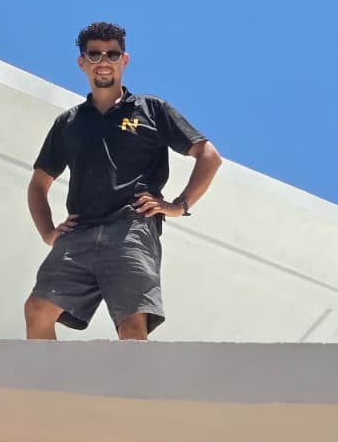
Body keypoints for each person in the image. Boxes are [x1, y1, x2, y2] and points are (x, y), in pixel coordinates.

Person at [25, 22, 222, 341]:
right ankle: (47, 388)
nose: (104, 60)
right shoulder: (69, 123)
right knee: (37, 310)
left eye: (112, 54)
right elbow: (38, 184)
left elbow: (209, 156)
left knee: (132, 326)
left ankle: (137, 390)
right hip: (79, 232)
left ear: (124, 60)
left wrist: (178, 205)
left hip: (131, 228)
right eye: (94, 54)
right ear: (82, 62)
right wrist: (48, 232)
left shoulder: (152, 110)